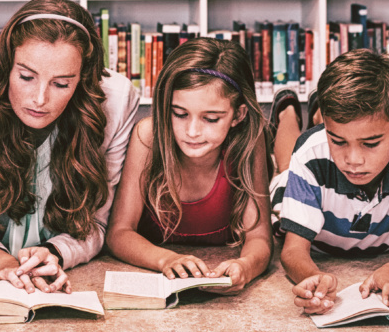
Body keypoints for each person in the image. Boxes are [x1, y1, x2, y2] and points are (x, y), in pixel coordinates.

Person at [0, 0, 140, 294]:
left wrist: (54, 253)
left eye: (61, 84)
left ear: (83, 80)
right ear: (6, 64)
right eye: (26, 76)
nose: (40, 99)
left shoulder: (117, 100)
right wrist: (0, 262)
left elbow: (97, 223)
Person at [106, 38, 273, 295]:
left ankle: (287, 112)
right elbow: (119, 233)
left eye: (211, 118)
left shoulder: (250, 141)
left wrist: (246, 266)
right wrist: (166, 259)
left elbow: (260, 237)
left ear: (238, 115)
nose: (192, 131)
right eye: (179, 114)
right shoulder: (148, 137)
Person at [271, 49, 389, 314]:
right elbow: (293, 250)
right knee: (283, 170)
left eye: (370, 143)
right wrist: (312, 276)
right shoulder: (311, 155)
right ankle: (287, 111)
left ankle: (319, 113)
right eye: (338, 141)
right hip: (304, 174)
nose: (354, 159)